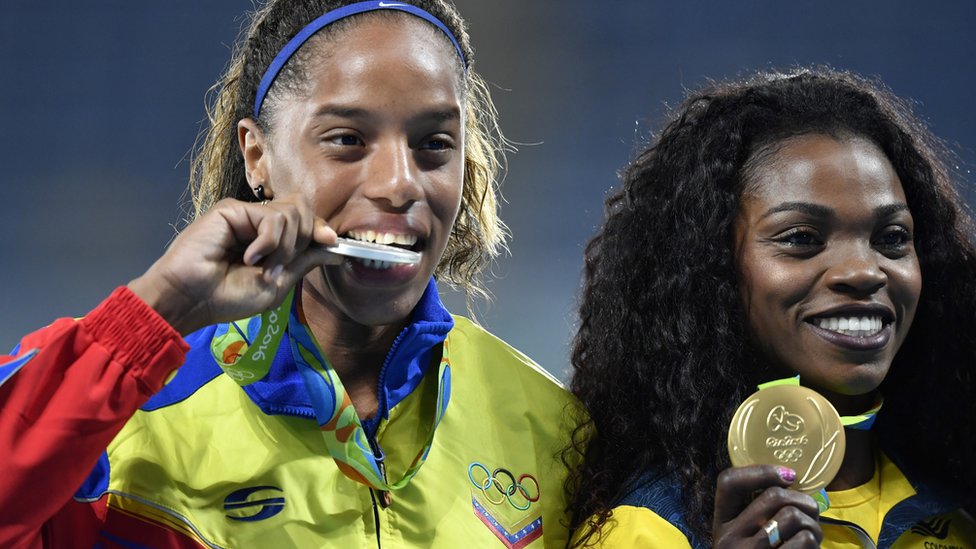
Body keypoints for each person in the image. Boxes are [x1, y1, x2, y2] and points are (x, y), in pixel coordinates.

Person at [0, 1, 575, 547]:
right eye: (348, 140)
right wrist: (159, 308)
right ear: (257, 156)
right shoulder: (123, 430)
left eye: (434, 144)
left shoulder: (552, 431)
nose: (401, 184)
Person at [564, 67, 976, 548]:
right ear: (712, 267)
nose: (864, 271)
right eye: (802, 238)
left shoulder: (959, 501)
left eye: (892, 238)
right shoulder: (648, 528)